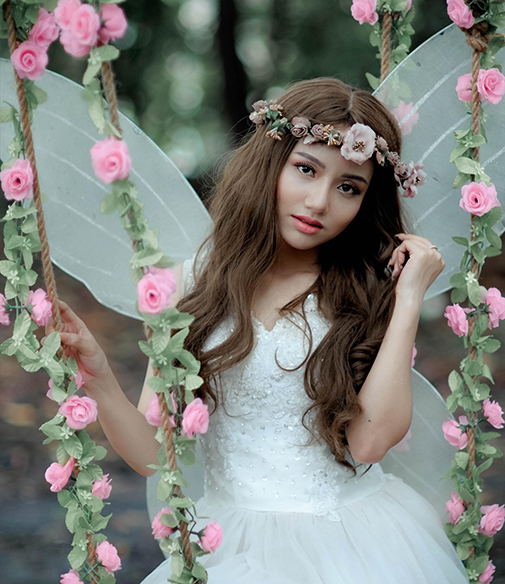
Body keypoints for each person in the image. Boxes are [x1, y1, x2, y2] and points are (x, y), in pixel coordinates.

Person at [45, 77, 470, 583]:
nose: (318, 202)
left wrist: (408, 299)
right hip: (231, 544)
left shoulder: (365, 289)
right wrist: (100, 378)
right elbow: (155, 456)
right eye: (306, 169)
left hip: (354, 543)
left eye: (348, 188)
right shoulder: (197, 283)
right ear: (273, 161)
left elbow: (370, 443)